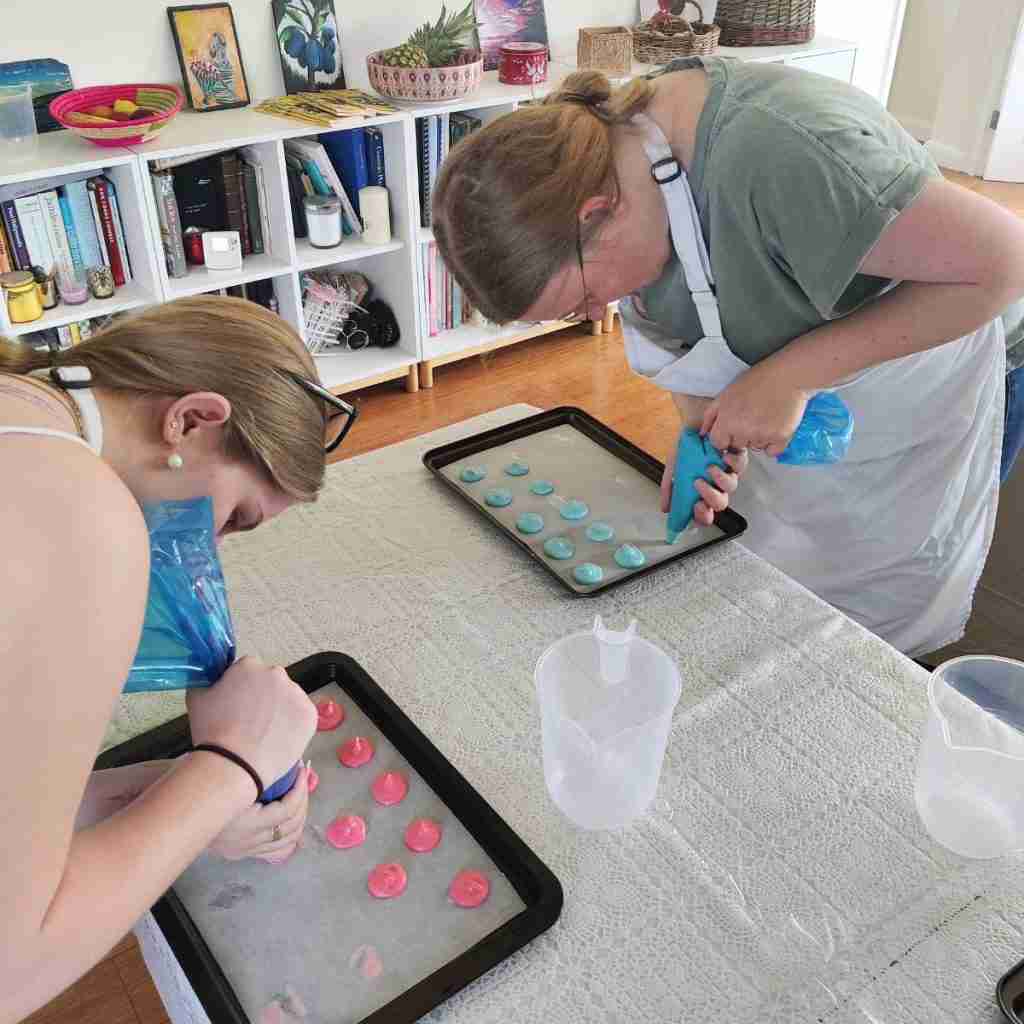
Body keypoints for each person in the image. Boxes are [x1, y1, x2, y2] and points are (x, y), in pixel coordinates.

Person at [433, 58, 1024, 659]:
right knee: (799, 592)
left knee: (886, 621)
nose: (593, 315)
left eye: (584, 297)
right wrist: (702, 428)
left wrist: (793, 377)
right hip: (817, 394)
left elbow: (1005, 263)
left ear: (595, 214)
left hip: (932, 369)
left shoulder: (782, 156)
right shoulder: (626, 175)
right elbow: (681, 325)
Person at [1, 296, 356, 1021]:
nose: (210, 555)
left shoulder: (25, 407)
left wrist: (164, 797)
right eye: (232, 520)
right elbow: (11, 969)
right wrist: (229, 768)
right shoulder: (83, 520)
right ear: (190, 419)